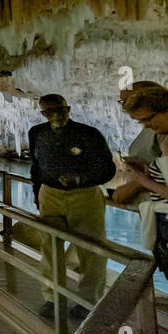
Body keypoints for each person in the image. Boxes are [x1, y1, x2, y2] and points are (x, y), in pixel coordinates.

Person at [28, 94, 115, 321]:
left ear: (69, 108)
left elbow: (108, 169)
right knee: (50, 247)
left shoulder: (89, 134)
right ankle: (52, 298)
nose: (56, 115)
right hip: (50, 193)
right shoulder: (37, 133)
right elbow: (36, 166)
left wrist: (81, 178)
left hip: (85, 195)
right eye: (49, 112)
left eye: (60, 109)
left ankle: (88, 301)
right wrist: (37, 194)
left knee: (92, 249)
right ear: (43, 113)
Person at [121, 86, 168, 247]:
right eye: (141, 121)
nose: (146, 126)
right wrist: (152, 169)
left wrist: (142, 180)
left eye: (149, 118)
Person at [107, 80, 164, 207]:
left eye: (126, 101)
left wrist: (136, 185)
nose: (124, 108)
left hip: (161, 204)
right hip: (149, 201)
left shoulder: (165, 129)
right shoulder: (150, 127)